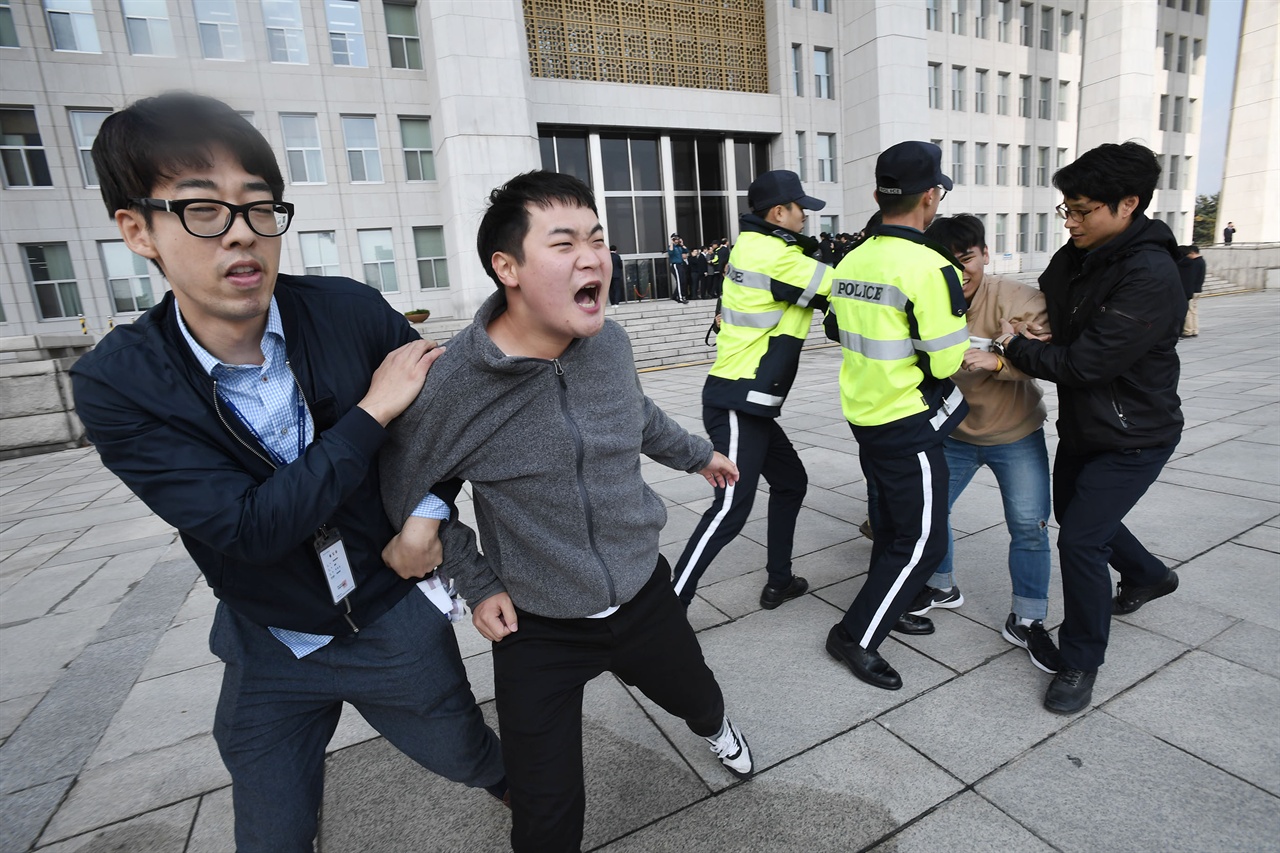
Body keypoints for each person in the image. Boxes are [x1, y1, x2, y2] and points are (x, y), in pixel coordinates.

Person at [69, 93, 504, 853]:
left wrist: (428, 513)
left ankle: (528, 792)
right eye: (203, 210)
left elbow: (450, 427)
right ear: (137, 230)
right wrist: (369, 415)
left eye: (259, 207)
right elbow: (248, 527)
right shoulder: (120, 381)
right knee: (270, 831)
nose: (242, 236)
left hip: (388, 616)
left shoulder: (347, 311)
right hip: (266, 639)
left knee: (468, 754)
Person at [378, 171, 753, 853]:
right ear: (508, 267)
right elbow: (408, 488)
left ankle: (717, 726)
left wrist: (696, 455)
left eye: (598, 239)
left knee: (695, 694)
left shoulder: (608, 343)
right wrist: (477, 577)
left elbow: (632, 414)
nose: (593, 258)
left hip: (642, 590)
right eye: (564, 243)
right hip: (536, 623)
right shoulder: (454, 384)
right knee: (544, 812)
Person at [995, 141, 1184, 714]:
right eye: (1066, 209)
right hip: (1085, 425)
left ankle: (1080, 660)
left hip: (1134, 433)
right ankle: (1149, 575)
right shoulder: (1077, 254)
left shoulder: (1150, 272)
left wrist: (1015, 348)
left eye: (1082, 210)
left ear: (1128, 204)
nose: (1071, 221)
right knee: (1081, 518)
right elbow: (1051, 308)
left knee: (1079, 539)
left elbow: (1086, 364)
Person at [821, 141, 970, 691]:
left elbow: (836, 328)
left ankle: (894, 603)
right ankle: (855, 636)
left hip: (865, 410)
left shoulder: (853, 257)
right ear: (930, 197)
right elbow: (948, 358)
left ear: (879, 195)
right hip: (907, 418)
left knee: (891, 524)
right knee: (924, 540)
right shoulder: (932, 267)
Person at [903, 214, 1060, 674]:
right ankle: (942, 586)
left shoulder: (1021, 298)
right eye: (946, 262)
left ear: (985, 254)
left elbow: (1049, 360)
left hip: (1016, 432)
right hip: (952, 432)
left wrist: (998, 361)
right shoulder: (924, 300)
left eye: (967, 258)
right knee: (932, 514)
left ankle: (1028, 618)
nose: (959, 270)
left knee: (1029, 526)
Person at [670, 170, 833, 609]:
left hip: (748, 400)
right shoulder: (777, 257)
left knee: (791, 482)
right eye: (801, 211)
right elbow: (839, 291)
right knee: (730, 509)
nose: (805, 219)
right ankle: (670, 606)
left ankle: (779, 580)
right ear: (779, 213)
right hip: (738, 400)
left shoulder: (754, 245)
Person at [1178, 244, 1205, 338]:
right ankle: (1194, 329)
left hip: (1192, 290)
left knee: (1188, 311)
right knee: (1194, 311)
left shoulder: (1194, 263)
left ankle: (1188, 330)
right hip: (1198, 290)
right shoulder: (1201, 261)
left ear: (1193, 252)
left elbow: (1191, 278)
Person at [668, 234, 689, 302]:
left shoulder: (679, 247)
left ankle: (676, 295)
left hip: (681, 264)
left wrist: (682, 244)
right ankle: (680, 297)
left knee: (683, 280)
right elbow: (670, 252)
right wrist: (672, 242)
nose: (677, 240)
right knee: (679, 281)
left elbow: (686, 251)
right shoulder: (672, 247)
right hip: (675, 265)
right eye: (676, 239)